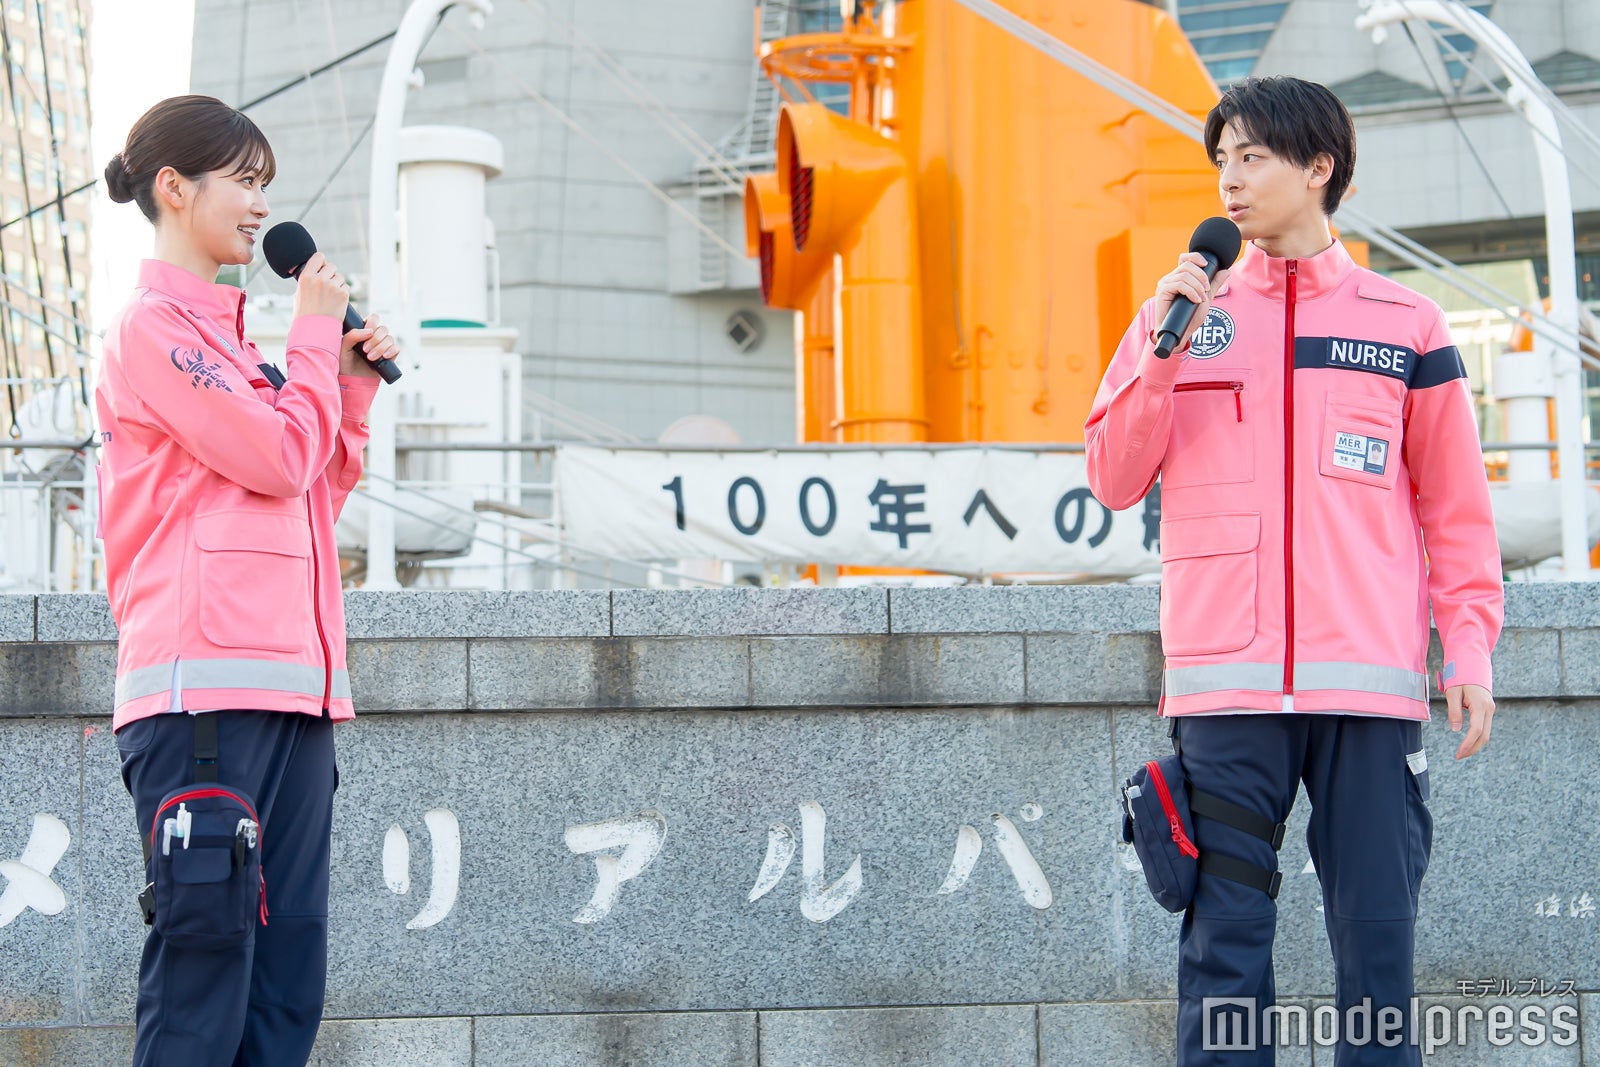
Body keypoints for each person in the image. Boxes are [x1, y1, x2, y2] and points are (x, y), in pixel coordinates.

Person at [1085, 77, 1502, 1065]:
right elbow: (1112, 475)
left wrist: (1469, 648)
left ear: (1319, 167)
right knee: (1220, 948)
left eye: (1251, 157)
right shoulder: (1177, 313)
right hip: (1224, 684)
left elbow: (1454, 509)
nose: (1228, 181)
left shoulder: (1406, 324)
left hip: (1367, 683)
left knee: (1377, 945)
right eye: (1220, 160)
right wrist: (1162, 353)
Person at [97, 95, 398, 1067]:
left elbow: (307, 492)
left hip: (296, 693)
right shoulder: (154, 329)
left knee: (284, 980)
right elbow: (276, 458)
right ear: (175, 188)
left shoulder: (239, 348)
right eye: (244, 180)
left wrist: (345, 382)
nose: (262, 205)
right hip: (203, 694)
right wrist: (311, 337)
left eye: (265, 184)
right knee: (204, 969)